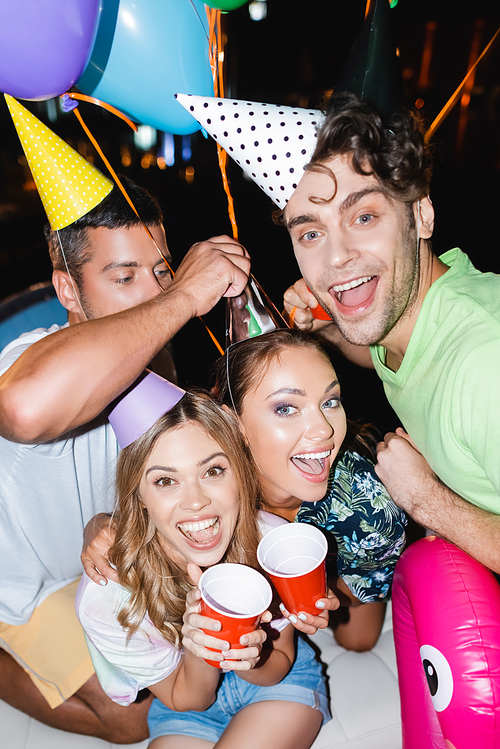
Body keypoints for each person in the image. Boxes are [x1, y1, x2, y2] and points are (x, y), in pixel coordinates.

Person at [0, 135, 250, 742]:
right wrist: (188, 294)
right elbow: (25, 409)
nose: (153, 294)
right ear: (67, 292)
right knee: (132, 719)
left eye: (163, 270)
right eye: (123, 276)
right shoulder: (31, 360)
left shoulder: (156, 369)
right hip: (28, 590)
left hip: (110, 571)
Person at [282, 90, 500, 574]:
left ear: (421, 213)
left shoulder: (487, 358)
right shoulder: (417, 314)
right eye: (310, 233)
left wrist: (427, 500)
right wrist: (332, 333)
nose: (335, 257)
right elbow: (396, 360)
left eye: (363, 217)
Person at [76, 389, 331, 749]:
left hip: (276, 683)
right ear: (139, 498)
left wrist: (246, 654)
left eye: (213, 471)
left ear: (239, 474)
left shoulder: (272, 545)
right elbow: (187, 699)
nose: (196, 501)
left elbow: (281, 663)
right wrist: (202, 647)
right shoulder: (107, 596)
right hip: (183, 701)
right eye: (165, 480)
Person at [213, 328, 406, 650]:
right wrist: (99, 527)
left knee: (357, 640)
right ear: (233, 422)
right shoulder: (204, 476)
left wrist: (325, 593)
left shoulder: (370, 509)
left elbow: (362, 582)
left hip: (344, 560)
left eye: (330, 402)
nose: (324, 430)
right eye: (286, 408)